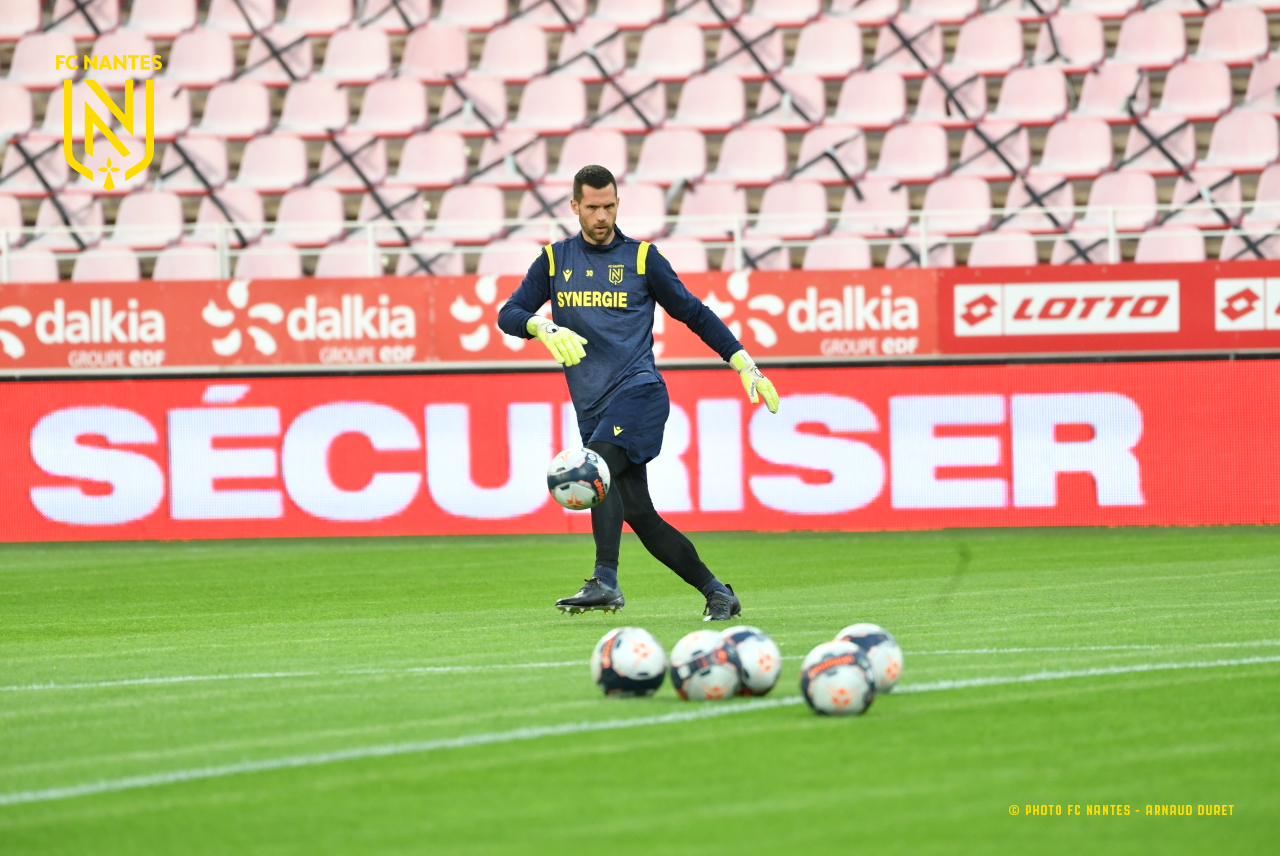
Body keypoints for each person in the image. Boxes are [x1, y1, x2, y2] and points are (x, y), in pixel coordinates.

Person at [497, 165, 780, 621]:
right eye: (592, 207)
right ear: (574, 206)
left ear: (617, 204)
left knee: (594, 467)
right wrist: (541, 326)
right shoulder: (553, 260)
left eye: (609, 206)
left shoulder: (642, 257)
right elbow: (508, 313)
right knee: (641, 516)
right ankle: (718, 593)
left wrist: (744, 363)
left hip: (640, 393)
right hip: (593, 409)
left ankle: (604, 581)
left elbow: (694, 312)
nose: (601, 216)